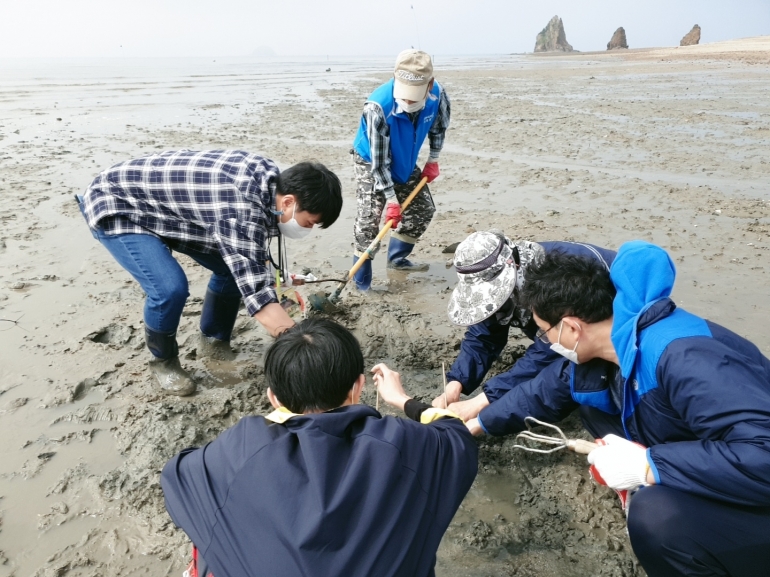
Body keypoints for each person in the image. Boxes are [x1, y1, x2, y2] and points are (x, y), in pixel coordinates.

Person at [478, 241, 770, 577]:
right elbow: (544, 391)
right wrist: (475, 422)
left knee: (654, 516)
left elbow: (763, 455)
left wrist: (649, 466)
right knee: (593, 405)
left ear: (572, 327)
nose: (549, 344)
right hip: (725, 461)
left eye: (545, 334)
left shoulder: (685, 358)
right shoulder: (618, 337)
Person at [161, 317, 478, 577]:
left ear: (274, 398)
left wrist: (277, 421)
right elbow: (455, 432)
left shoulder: (244, 446)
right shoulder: (405, 442)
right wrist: (402, 399)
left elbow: (177, 475)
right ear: (358, 387)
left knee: (211, 528)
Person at [78, 149, 342, 396]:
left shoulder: (271, 186)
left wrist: (278, 281)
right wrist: (303, 345)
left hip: (169, 211)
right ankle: (163, 362)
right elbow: (257, 295)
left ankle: (213, 341)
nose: (307, 229)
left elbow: (250, 258)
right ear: (289, 201)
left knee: (232, 269)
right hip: (119, 204)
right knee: (169, 288)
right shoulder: (240, 209)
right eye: (309, 222)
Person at [432, 230, 615, 437]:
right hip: (568, 332)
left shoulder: (555, 280)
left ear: (513, 265)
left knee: (574, 380)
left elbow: (547, 352)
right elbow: (483, 335)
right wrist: (456, 382)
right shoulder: (510, 273)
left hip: (608, 332)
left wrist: (483, 401)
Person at [350, 49, 450, 289]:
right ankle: (361, 284)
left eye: (414, 97)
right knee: (369, 222)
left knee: (423, 209)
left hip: (405, 157)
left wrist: (433, 160)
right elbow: (380, 163)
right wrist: (392, 200)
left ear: (429, 85)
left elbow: (439, 128)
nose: (407, 103)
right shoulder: (377, 107)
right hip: (371, 160)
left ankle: (397, 259)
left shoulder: (438, 96)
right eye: (404, 96)